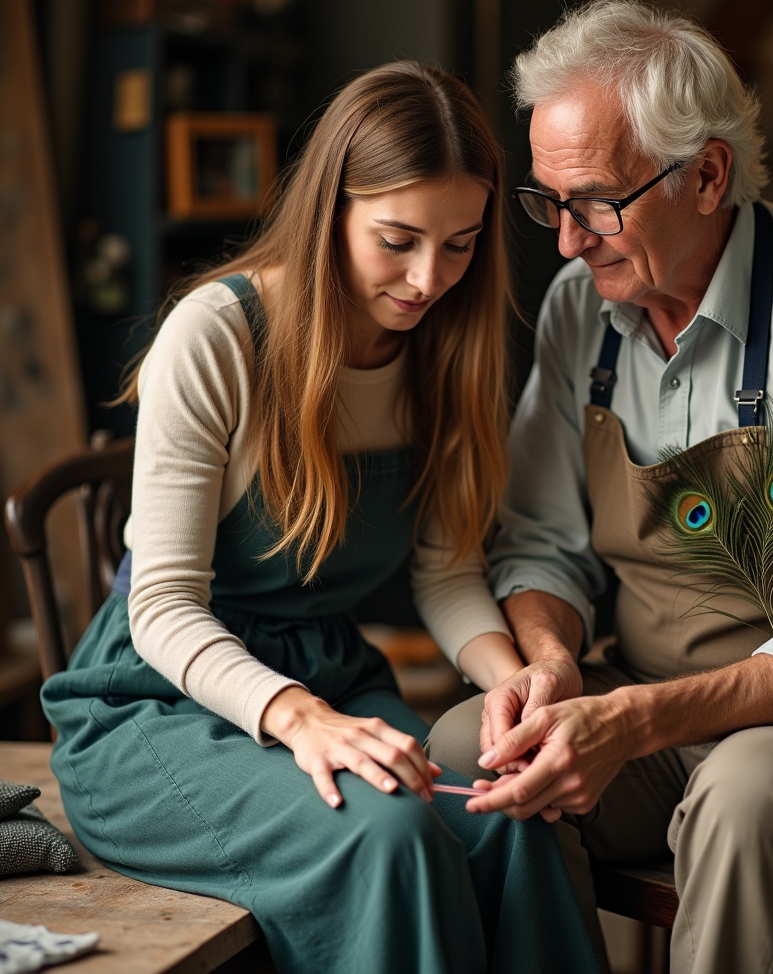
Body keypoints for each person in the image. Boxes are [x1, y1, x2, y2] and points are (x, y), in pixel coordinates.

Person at [426, 0, 773, 973]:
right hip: (651, 696)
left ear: (706, 174)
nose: (565, 242)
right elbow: (539, 542)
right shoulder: (583, 310)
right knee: (460, 749)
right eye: (547, 203)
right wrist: (555, 665)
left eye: (595, 204)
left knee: (746, 794)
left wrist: (638, 719)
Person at [41, 60, 602, 974]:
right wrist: (301, 718)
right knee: (393, 837)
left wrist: (513, 684)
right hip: (159, 701)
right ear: (329, 210)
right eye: (398, 239)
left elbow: (448, 573)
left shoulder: (448, 353)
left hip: (328, 671)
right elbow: (163, 608)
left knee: (510, 820)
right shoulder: (218, 334)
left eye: (460, 244)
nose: (429, 280)